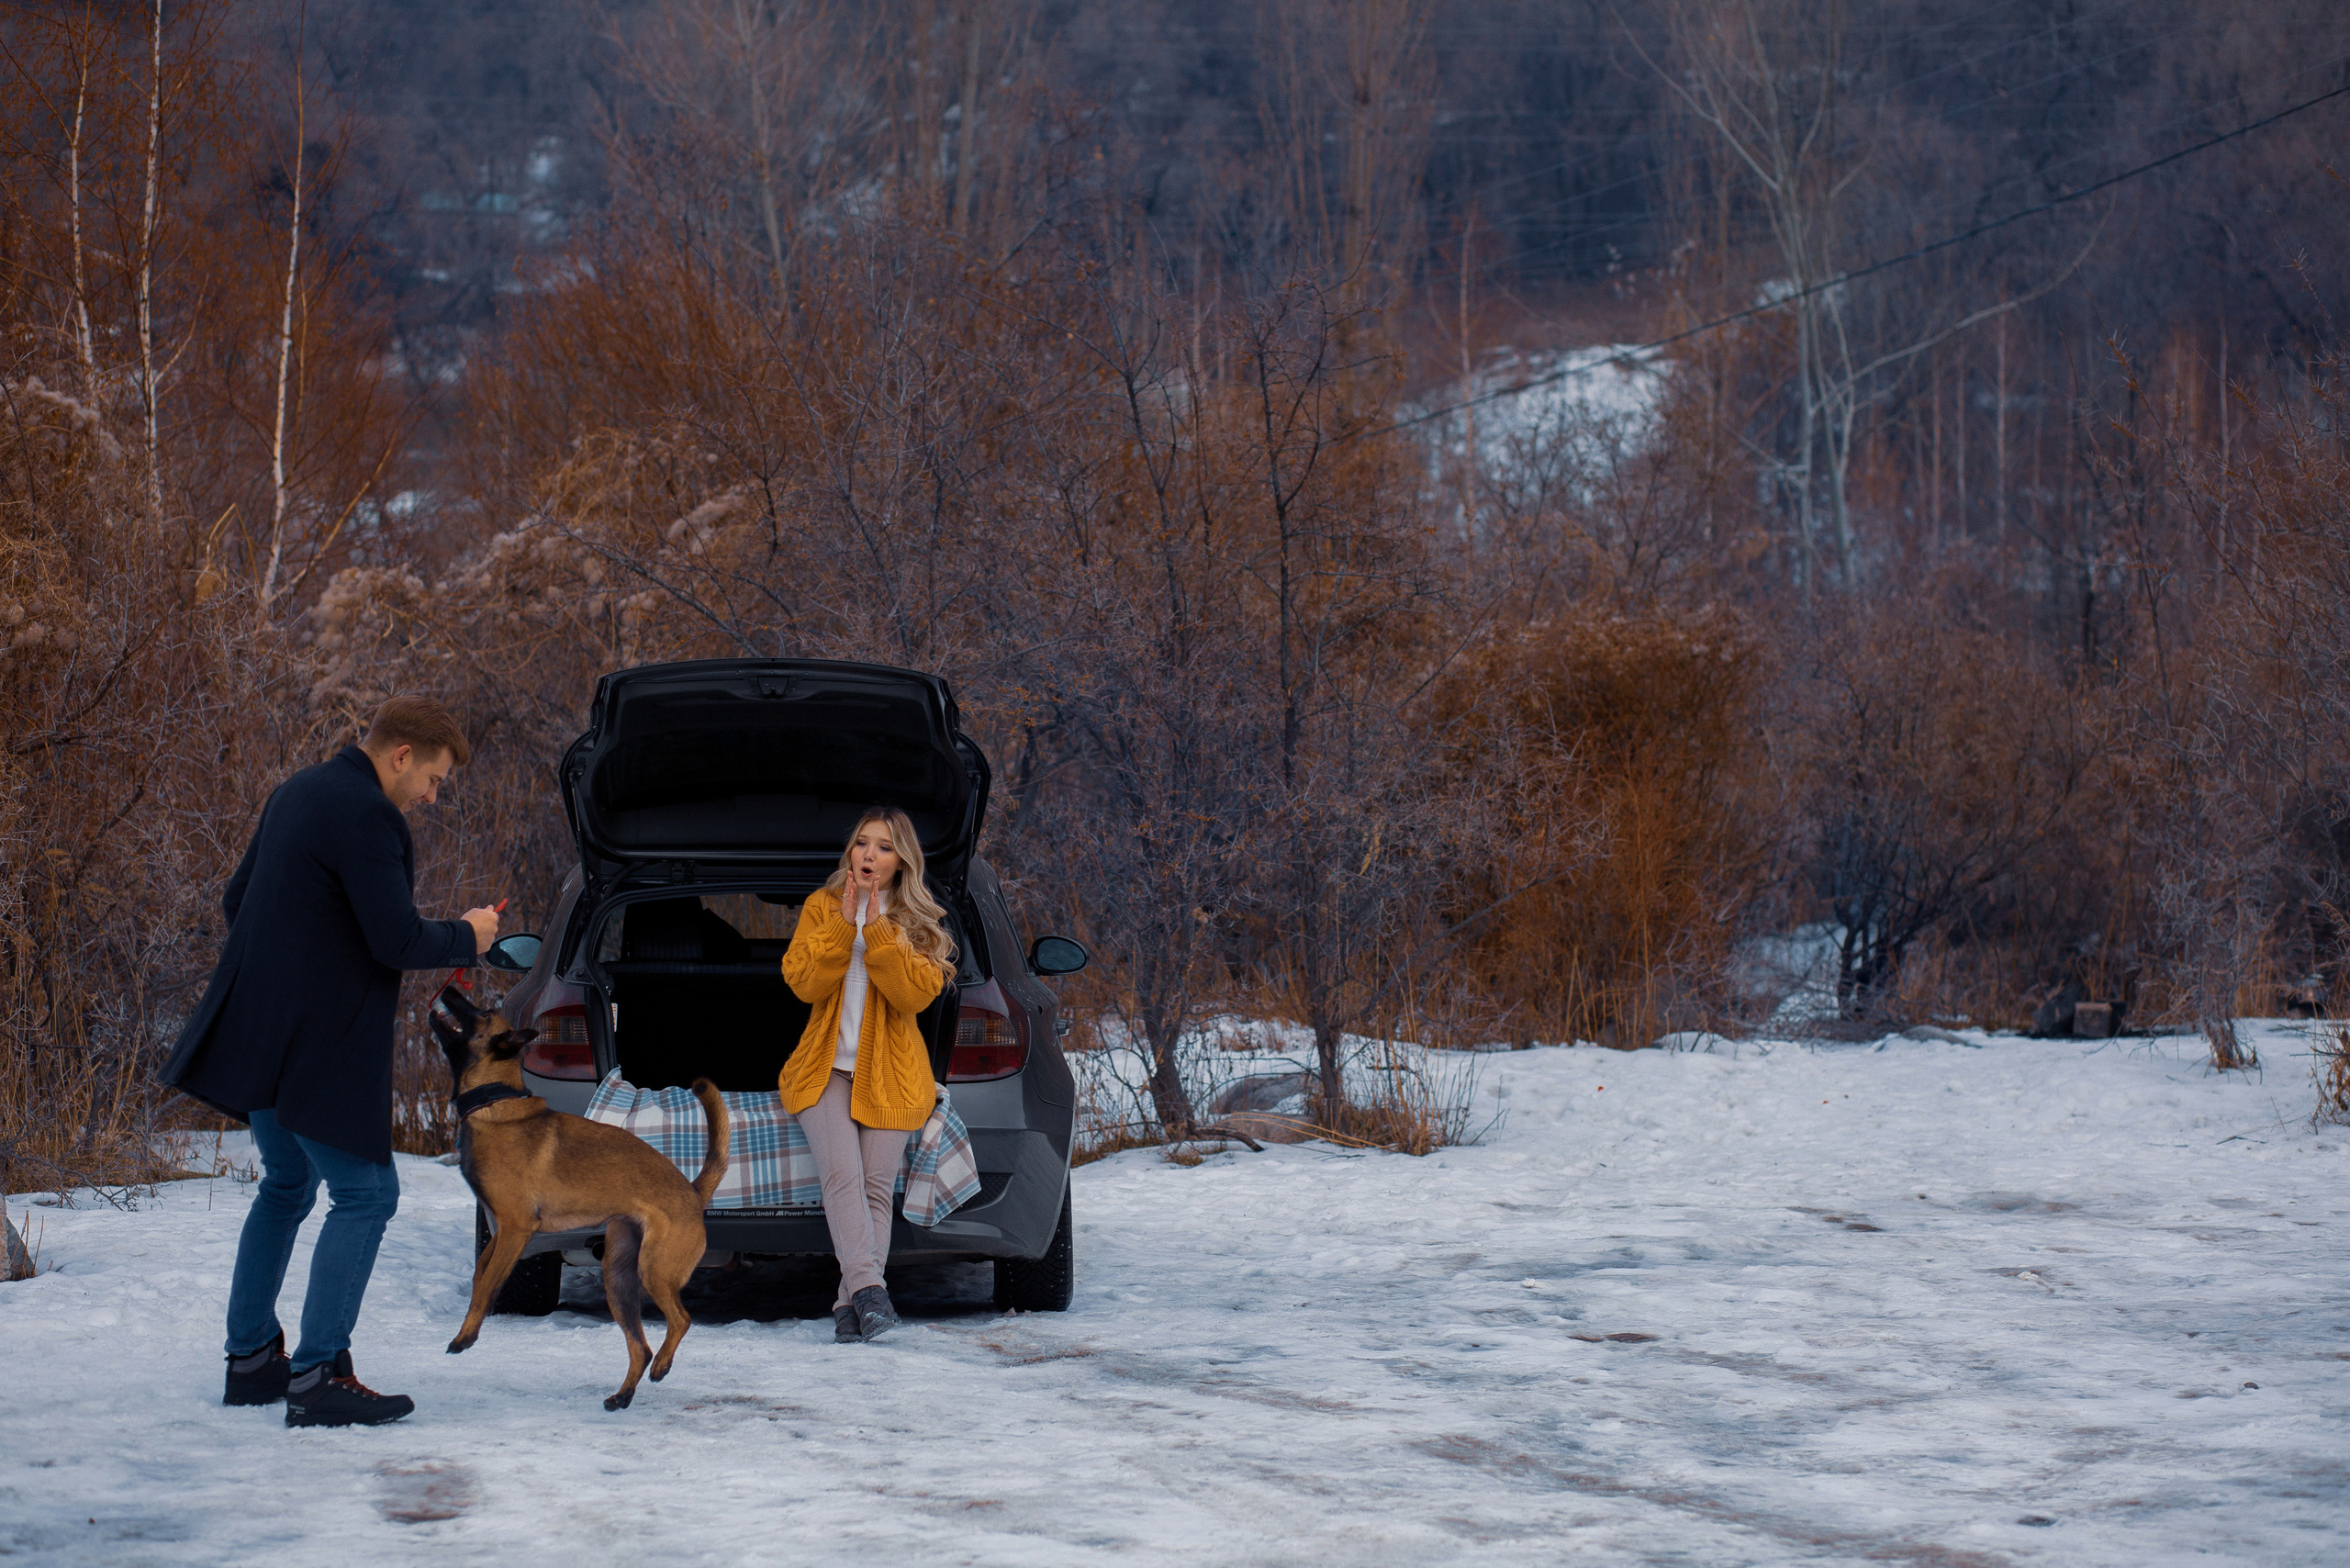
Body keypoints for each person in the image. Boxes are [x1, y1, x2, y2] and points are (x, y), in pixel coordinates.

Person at [162, 697, 502, 1427]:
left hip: (259, 1028)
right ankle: (318, 1375)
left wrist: (296, 964)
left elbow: (237, 900)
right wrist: (469, 935)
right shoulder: (368, 814)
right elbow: (398, 941)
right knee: (370, 1196)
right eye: (434, 779)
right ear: (401, 755)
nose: (432, 797)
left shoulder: (298, 791)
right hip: (317, 1041)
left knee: (287, 1184)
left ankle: (252, 1361)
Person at [779, 807, 956, 1343]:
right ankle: (872, 1296)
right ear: (851, 852)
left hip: (893, 1072)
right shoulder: (820, 907)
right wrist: (845, 923)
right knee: (844, 1178)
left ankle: (850, 1305)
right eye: (862, 843)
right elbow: (803, 983)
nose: (869, 855)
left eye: (882, 846)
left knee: (878, 1189)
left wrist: (877, 929)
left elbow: (914, 995)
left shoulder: (920, 920)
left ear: (901, 860)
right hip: (823, 1067)